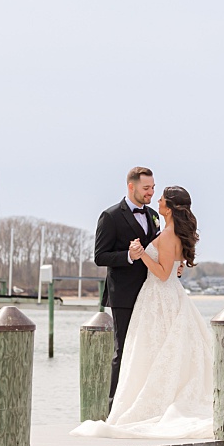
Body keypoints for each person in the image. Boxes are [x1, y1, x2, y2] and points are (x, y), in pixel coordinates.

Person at [73, 185, 214, 439]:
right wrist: (171, 265)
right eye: (151, 191)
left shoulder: (169, 232)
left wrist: (140, 255)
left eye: (160, 198)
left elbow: (161, 274)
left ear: (169, 208)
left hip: (159, 295)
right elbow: (171, 265)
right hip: (164, 296)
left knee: (151, 352)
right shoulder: (171, 230)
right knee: (158, 352)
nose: (156, 200)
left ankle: (148, 404)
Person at [93, 166, 160, 399]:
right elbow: (100, 257)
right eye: (146, 188)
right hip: (123, 295)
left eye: (152, 187)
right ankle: (114, 405)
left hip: (151, 292)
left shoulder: (154, 215)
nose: (151, 192)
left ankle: (142, 401)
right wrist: (128, 256)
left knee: (149, 349)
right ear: (131, 187)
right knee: (123, 350)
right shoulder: (110, 216)